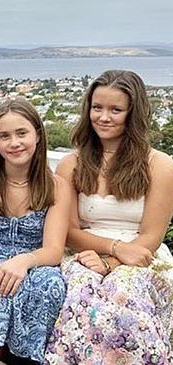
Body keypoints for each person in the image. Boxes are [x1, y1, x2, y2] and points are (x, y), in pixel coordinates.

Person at [45, 70, 173, 364]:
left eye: (115, 110)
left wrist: (113, 261)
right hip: (84, 252)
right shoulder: (71, 164)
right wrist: (109, 252)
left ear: (133, 113)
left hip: (142, 254)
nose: (103, 117)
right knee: (79, 295)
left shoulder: (159, 165)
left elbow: (151, 237)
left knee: (125, 298)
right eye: (97, 108)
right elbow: (67, 231)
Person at [0, 98, 69, 365]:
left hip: (34, 259)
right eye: (5, 136)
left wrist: (24, 261)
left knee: (49, 284)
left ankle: (30, 358)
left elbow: (54, 250)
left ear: (37, 135)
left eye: (22, 133)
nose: (14, 143)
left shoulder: (55, 186)